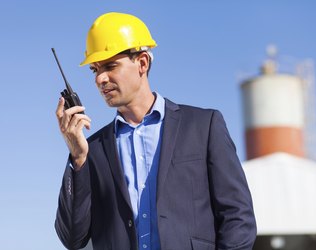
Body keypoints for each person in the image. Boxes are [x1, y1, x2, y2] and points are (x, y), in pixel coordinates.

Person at [55, 12, 256, 250]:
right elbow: (72, 238)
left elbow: (238, 217)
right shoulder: (93, 150)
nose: (100, 78)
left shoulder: (203, 126)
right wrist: (78, 158)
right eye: (95, 70)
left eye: (110, 66)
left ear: (142, 63)